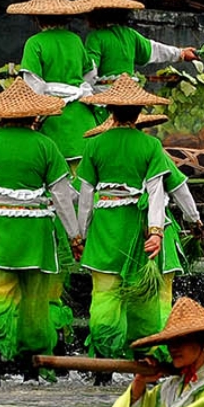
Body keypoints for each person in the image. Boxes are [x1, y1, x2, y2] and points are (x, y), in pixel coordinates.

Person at [0, 79, 83, 382]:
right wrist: (74, 235)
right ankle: (32, 368)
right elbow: (62, 197)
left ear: (0, 115)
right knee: (35, 301)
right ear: (36, 117)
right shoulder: (46, 145)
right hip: (34, 233)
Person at [78, 77, 190, 358]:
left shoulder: (93, 145)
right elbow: (155, 192)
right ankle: (146, 353)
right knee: (143, 293)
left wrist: (79, 234)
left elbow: (85, 198)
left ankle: (103, 358)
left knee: (105, 292)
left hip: (105, 226)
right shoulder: (150, 146)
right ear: (140, 112)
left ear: (109, 110)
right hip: (136, 226)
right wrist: (155, 232)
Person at [9, 0, 101, 177]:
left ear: (36, 18)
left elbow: (33, 85)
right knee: (83, 175)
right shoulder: (75, 40)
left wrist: (34, 116)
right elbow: (90, 75)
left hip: (53, 115)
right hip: (81, 115)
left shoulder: (35, 43)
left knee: (54, 174)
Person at [76, 0, 198, 80]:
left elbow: (91, 71)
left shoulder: (95, 37)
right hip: (130, 93)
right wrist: (180, 53)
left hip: (105, 95)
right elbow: (154, 50)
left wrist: (85, 93)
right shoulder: (130, 35)